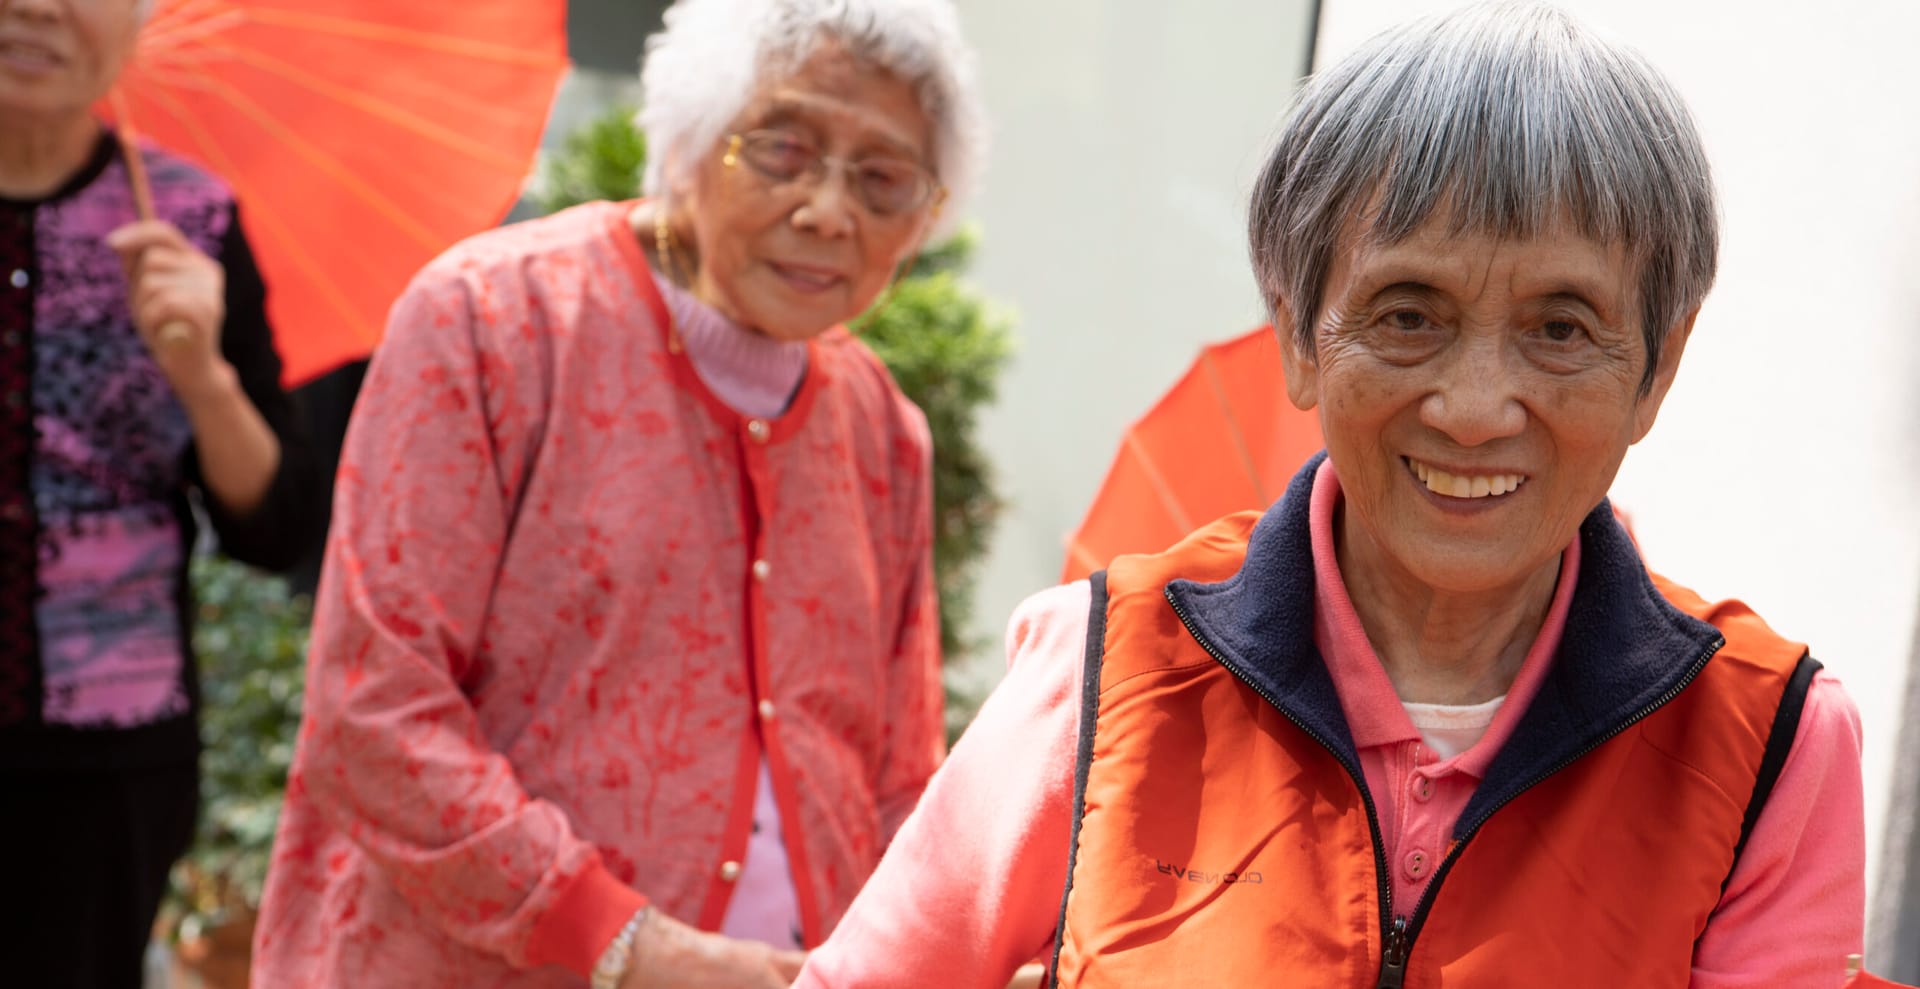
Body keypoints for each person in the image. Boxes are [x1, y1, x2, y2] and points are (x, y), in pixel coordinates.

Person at [795, 4, 1867, 987]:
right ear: (1300, 335)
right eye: (1408, 314)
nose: (1476, 406)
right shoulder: (1100, 672)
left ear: (1656, 369)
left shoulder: (1772, 748)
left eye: (1561, 328)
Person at [250, 0, 986, 985]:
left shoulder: (884, 430)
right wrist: (630, 944)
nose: (827, 209)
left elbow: (898, 778)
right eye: (781, 150)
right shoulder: (489, 320)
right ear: (688, 143)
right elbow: (374, 712)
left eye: (883, 176)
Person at [0, 0, 325, 985]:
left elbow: (276, 526)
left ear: (141, 22)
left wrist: (201, 376)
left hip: (108, 757)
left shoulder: (187, 220)